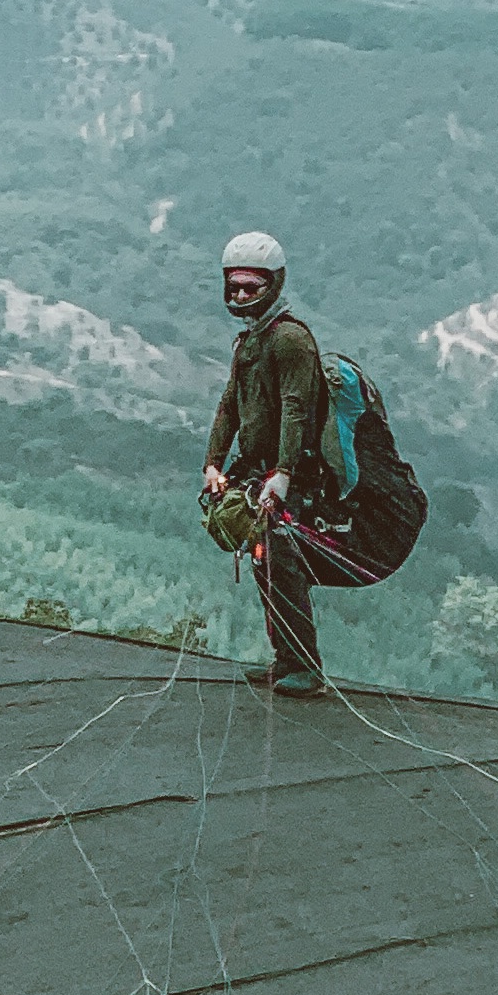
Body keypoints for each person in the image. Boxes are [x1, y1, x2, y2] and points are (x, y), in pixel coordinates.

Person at [199, 229, 357, 697]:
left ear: (275, 284)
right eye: (236, 286)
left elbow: (295, 409)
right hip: (258, 469)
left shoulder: (289, 340)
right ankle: (285, 660)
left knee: (282, 563)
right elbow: (230, 404)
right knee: (265, 563)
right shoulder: (250, 341)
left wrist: (283, 473)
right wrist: (213, 462)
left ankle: (305, 669)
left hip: (292, 475)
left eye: (252, 287)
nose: (242, 295)